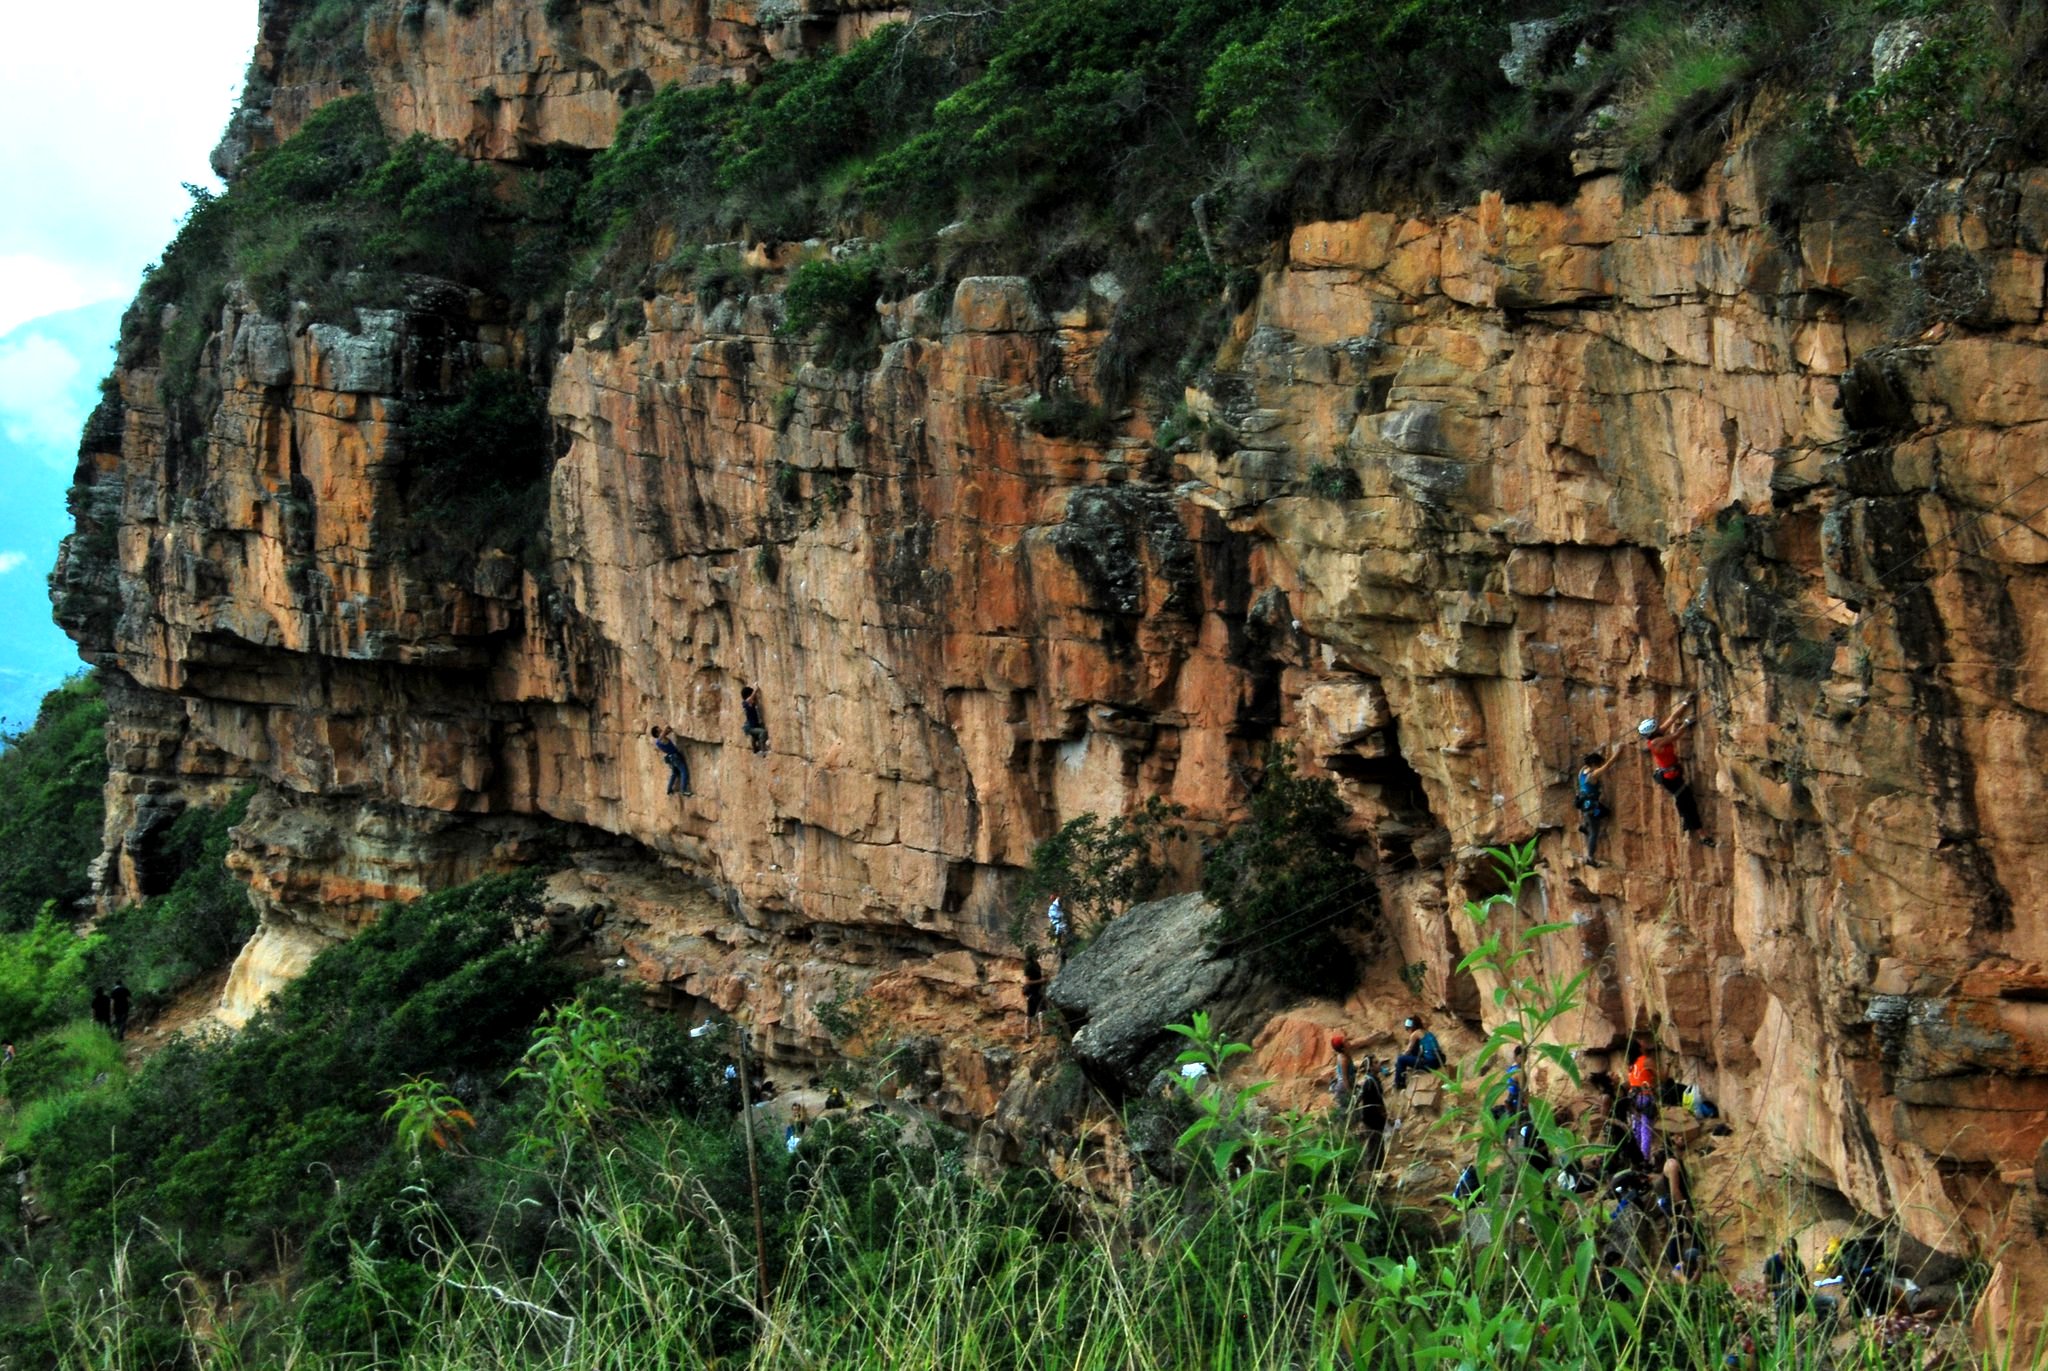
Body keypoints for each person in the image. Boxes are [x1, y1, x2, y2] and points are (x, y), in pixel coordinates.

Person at [1637, 697, 1713, 846]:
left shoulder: (1657, 734)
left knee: (1683, 799)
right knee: (1688, 803)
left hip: (1671, 774)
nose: (1660, 727)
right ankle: (1702, 835)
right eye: (1657, 727)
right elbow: (1675, 736)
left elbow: (1672, 718)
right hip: (1670, 778)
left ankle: (1688, 821)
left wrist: (1686, 703)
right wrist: (1686, 723)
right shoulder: (1655, 742)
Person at [1575, 744, 1622, 863]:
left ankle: (1585, 825)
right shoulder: (1593, 775)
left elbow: (1593, 761)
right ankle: (1590, 857)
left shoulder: (1582, 771)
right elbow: (1608, 765)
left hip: (1584, 804)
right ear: (1595, 764)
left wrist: (1600, 750)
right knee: (1594, 832)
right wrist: (1618, 752)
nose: (1599, 766)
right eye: (1598, 764)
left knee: (1605, 812)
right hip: (1592, 807)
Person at [1354, 1054, 1388, 1170]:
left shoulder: (1371, 1081)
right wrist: (1385, 1115)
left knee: (1376, 1151)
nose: (1379, 1064)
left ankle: (1374, 1179)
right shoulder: (1370, 1082)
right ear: (1370, 1067)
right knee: (1374, 1153)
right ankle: (1370, 1180)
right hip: (1372, 1122)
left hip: (1373, 1121)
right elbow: (1376, 1103)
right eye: (1376, 1063)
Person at [1394, 1016, 1443, 1089]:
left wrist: (1399, 1060)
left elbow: (1408, 1050)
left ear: (1411, 1027)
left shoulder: (1415, 1034)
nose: (1407, 1031)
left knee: (1400, 1059)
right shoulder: (1426, 1032)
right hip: (1439, 1060)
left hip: (1430, 1064)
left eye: (1407, 1029)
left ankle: (1400, 1083)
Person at [649, 724, 691, 796]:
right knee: (684, 772)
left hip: (671, 758)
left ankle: (669, 789)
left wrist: (670, 730)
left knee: (674, 773)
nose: (661, 729)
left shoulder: (659, 741)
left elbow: (667, 731)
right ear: (657, 733)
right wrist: (668, 725)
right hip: (675, 756)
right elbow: (665, 729)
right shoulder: (661, 739)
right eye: (659, 729)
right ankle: (683, 790)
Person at [1021, 948, 1046, 1036]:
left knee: (1035, 1012)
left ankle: (1029, 1034)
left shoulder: (1036, 964)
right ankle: (1035, 1033)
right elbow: (1027, 981)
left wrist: (1043, 979)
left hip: (1036, 991)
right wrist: (1041, 981)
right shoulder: (1028, 965)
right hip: (1032, 992)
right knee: (1036, 1011)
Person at [740, 686, 769, 754]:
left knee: (755, 736)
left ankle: (755, 749)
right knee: (762, 732)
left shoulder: (749, 704)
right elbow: (749, 699)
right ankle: (763, 750)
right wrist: (755, 691)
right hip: (750, 727)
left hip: (753, 725)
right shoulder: (745, 703)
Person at [1046, 892, 1071, 961]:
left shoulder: (1054, 906)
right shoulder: (1053, 906)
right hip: (1058, 924)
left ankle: (1063, 950)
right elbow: (1056, 915)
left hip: (1059, 924)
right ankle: (1061, 951)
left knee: (1061, 938)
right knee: (1060, 938)